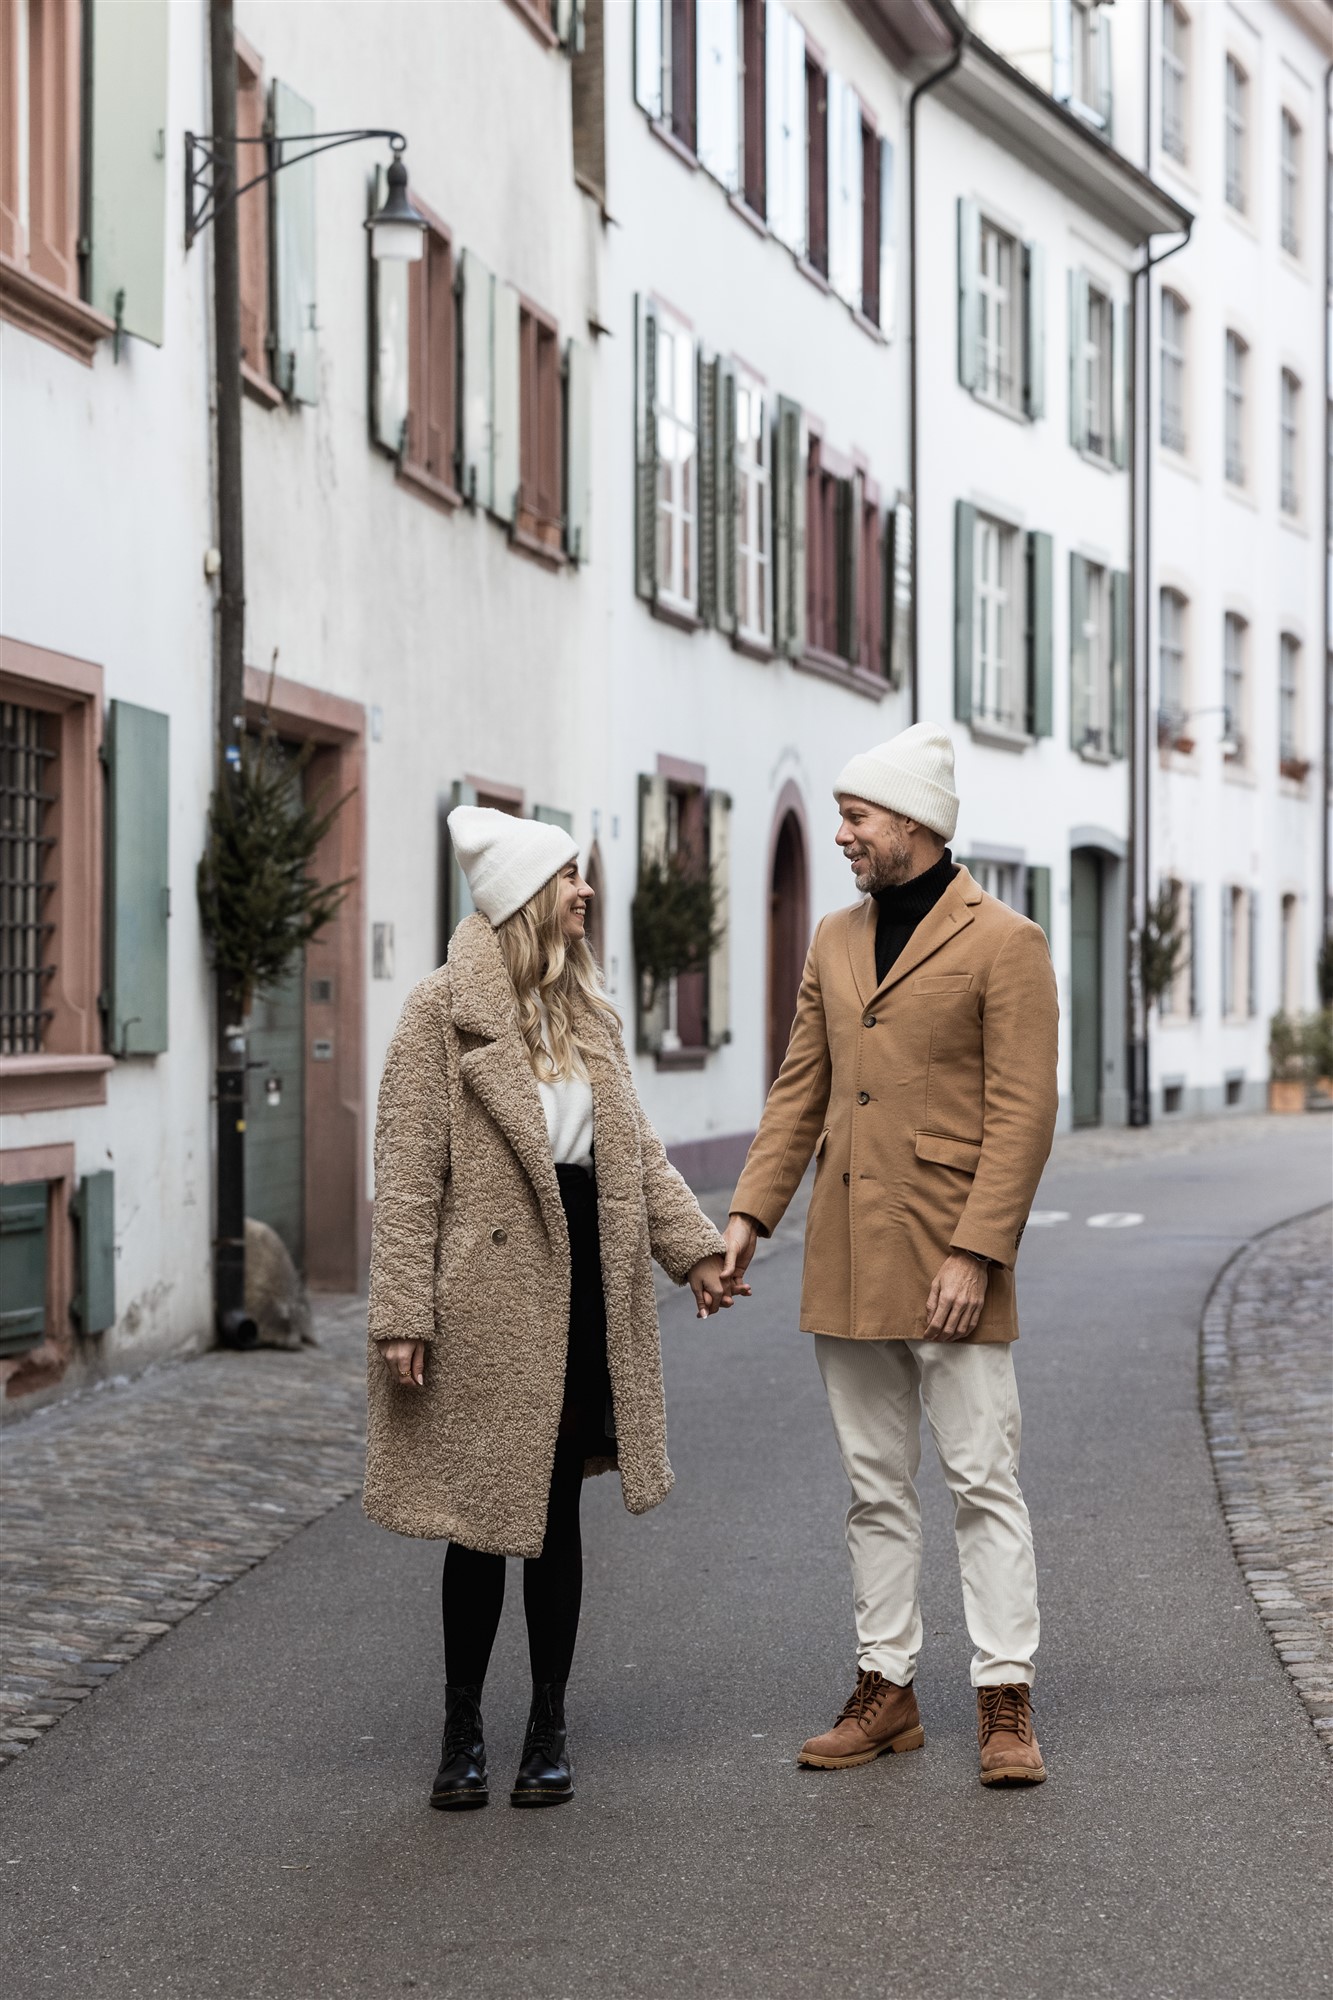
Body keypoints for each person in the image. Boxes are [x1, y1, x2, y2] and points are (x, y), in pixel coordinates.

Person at [366, 807, 731, 1811]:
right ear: (526, 896)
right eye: (569, 878)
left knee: (558, 1504)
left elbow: (637, 1157)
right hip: (485, 1292)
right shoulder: (439, 1014)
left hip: (582, 1283)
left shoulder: (594, 1018)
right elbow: (404, 1176)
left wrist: (694, 1251)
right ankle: (461, 1727)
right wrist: (403, 1307)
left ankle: (549, 1723)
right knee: (482, 1514)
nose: (585, 893)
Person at [721, 723, 1059, 1787]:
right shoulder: (831, 937)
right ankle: (887, 1686)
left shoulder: (1006, 940)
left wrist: (976, 1252)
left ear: (911, 819)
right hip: (848, 1252)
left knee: (980, 1478)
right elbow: (798, 1090)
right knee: (873, 1486)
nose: (842, 833)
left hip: (952, 1258)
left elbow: (1022, 1113)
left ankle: (1004, 1698)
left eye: (856, 816)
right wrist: (747, 1220)